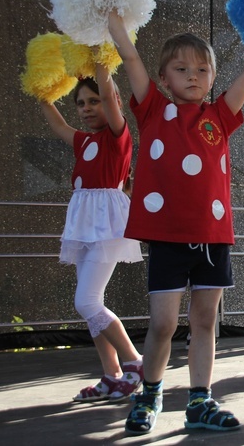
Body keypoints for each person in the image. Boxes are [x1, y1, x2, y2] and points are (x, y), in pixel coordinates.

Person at [108, 10, 244, 435]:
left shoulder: (220, 115)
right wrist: (113, 22)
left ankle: (200, 400)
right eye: (181, 69)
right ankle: (149, 395)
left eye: (202, 69)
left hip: (212, 238)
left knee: (205, 321)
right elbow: (130, 60)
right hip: (167, 238)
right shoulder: (152, 110)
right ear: (164, 78)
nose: (193, 76)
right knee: (163, 324)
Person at [39, 63, 144, 402]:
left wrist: (101, 67)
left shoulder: (119, 135)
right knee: (90, 303)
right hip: (84, 223)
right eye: (81, 104)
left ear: (110, 100)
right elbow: (58, 124)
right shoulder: (82, 141)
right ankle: (112, 375)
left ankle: (134, 362)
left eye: (93, 101)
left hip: (108, 223)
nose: (86, 109)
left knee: (85, 301)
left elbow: (113, 100)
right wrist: (41, 93)